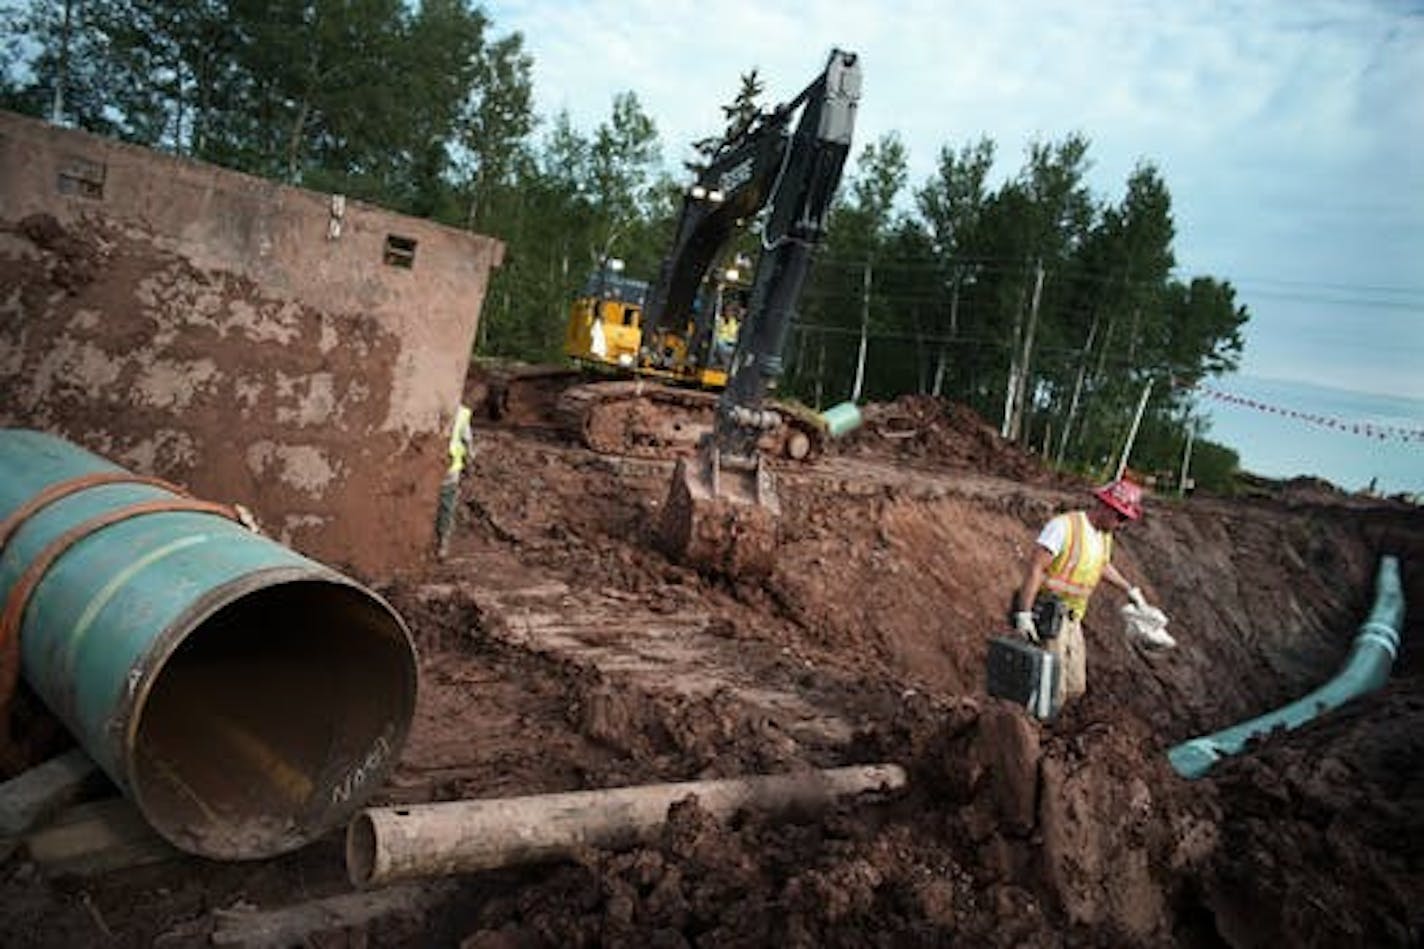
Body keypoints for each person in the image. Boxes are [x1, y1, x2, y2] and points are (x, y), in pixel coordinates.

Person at [1011, 477, 1175, 709]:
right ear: (1106, 507)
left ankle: (1044, 717)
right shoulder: (1064, 527)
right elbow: (1036, 567)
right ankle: (1032, 726)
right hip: (1048, 612)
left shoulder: (1103, 536)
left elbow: (1102, 564)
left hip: (1072, 616)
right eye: (1121, 517)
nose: (1122, 524)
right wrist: (1024, 613)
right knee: (1050, 687)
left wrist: (1129, 589)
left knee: (1076, 685)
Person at [435, 404, 474, 559]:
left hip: (429, 465)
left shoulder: (430, 407)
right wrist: (469, 460)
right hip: (450, 468)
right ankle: (442, 542)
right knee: (446, 505)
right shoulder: (462, 413)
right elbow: (467, 442)